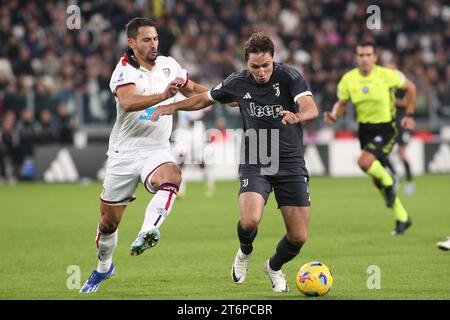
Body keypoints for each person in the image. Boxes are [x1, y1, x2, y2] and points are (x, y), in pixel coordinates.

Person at [152, 32, 319, 292]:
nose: (261, 72)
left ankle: (274, 267)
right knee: (250, 220)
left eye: (266, 66)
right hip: (257, 159)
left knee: (298, 237)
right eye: (255, 67)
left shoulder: (290, 77)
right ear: (246, 63)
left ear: (273, 60)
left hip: (291, 162)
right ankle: (244, 252)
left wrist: (298, 117)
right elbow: (205, 98)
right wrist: (174, 107)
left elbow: (311, 107)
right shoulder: (238, 82)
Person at [79, 17, 209, 294]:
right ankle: (104, 268)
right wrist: (163, 96)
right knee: (108, 222)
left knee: (172, 174)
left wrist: (224, 95)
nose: (154, 44)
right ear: (132, 43)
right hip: (124, 154)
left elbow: (193, 90)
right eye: (147, 40)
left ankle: (147, 230)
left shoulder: (168, 65)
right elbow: (127, 102)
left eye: (156, 38)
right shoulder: (123, 70)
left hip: (156, 150)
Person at [324, 41, 416, 236]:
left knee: (364, 162)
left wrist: (408, 115)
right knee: (376, 180)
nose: (364, 59)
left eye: (368, 55)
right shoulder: (348, 80)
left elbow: (411, 88)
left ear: (375, 57)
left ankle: (390, 180)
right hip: (365, 129)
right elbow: (342, 103)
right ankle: (402, 217)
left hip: (386, 128)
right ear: (355, 57)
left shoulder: (387, 75)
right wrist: (334, 115)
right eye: (361, 55)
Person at [385, 61, 415, 196]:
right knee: (383, 153)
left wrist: (394, 101)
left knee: (402, 153)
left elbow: (410, 101)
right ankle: (395, 176)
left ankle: (409, 183)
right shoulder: (383, 84)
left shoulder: (402, 84)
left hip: (401, 123)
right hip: (388, 123)